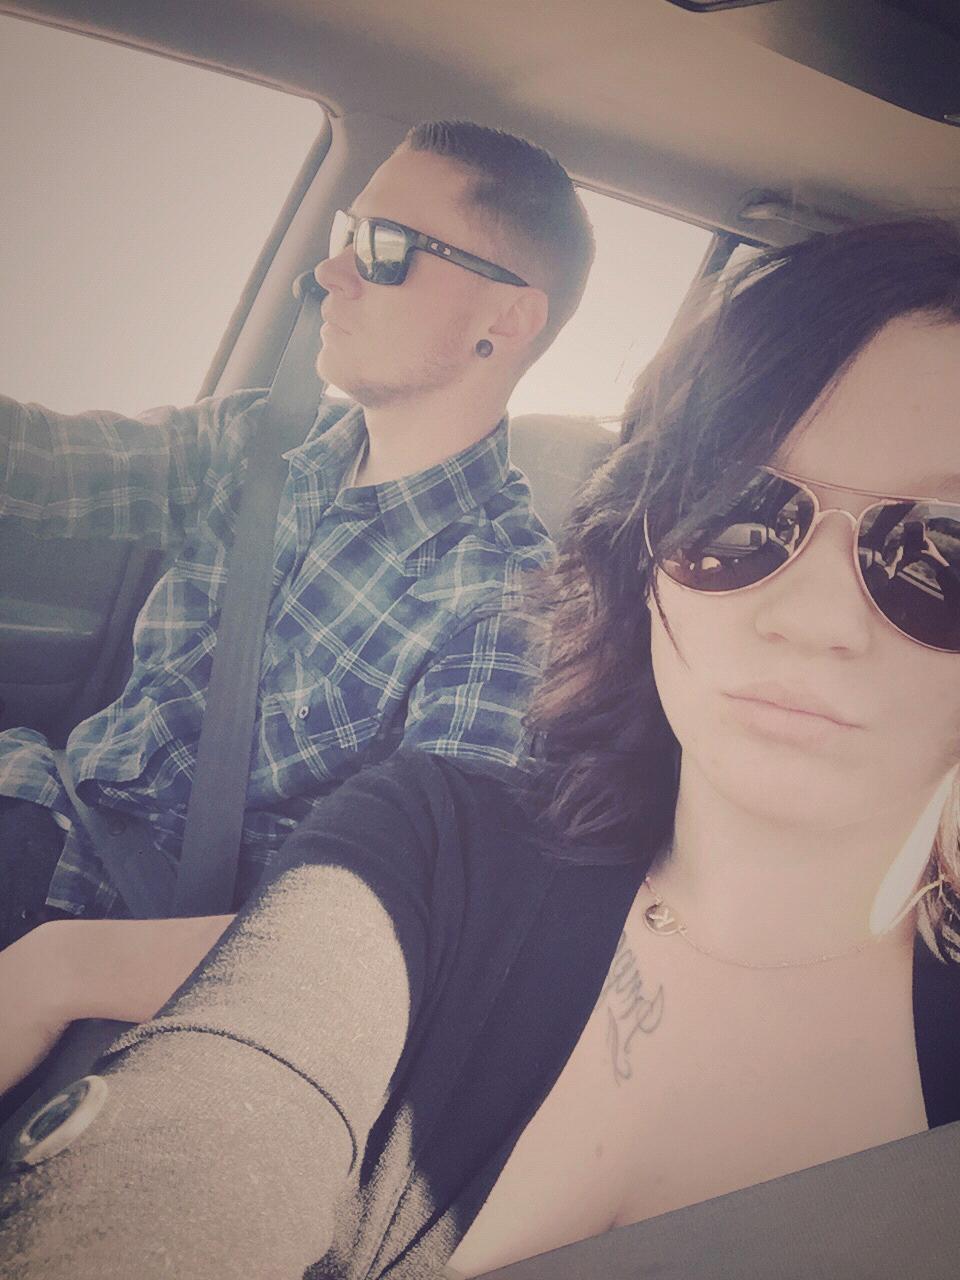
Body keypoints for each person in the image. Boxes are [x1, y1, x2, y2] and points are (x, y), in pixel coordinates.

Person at [2, 218, 960, 1278]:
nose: (813, 617)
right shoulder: (430, 842)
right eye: (736, 508)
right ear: (643, 542)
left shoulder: (488, 598)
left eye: (947, 545)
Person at [0, 120, 595, 944]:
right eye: (348, 232)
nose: (327, 273)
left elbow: (381, 934)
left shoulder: (504, 609)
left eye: (386, 248)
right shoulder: (257, 440)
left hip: (109, 926)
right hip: (35, 793)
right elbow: (46, 463)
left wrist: (63, 971)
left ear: (511, 316)